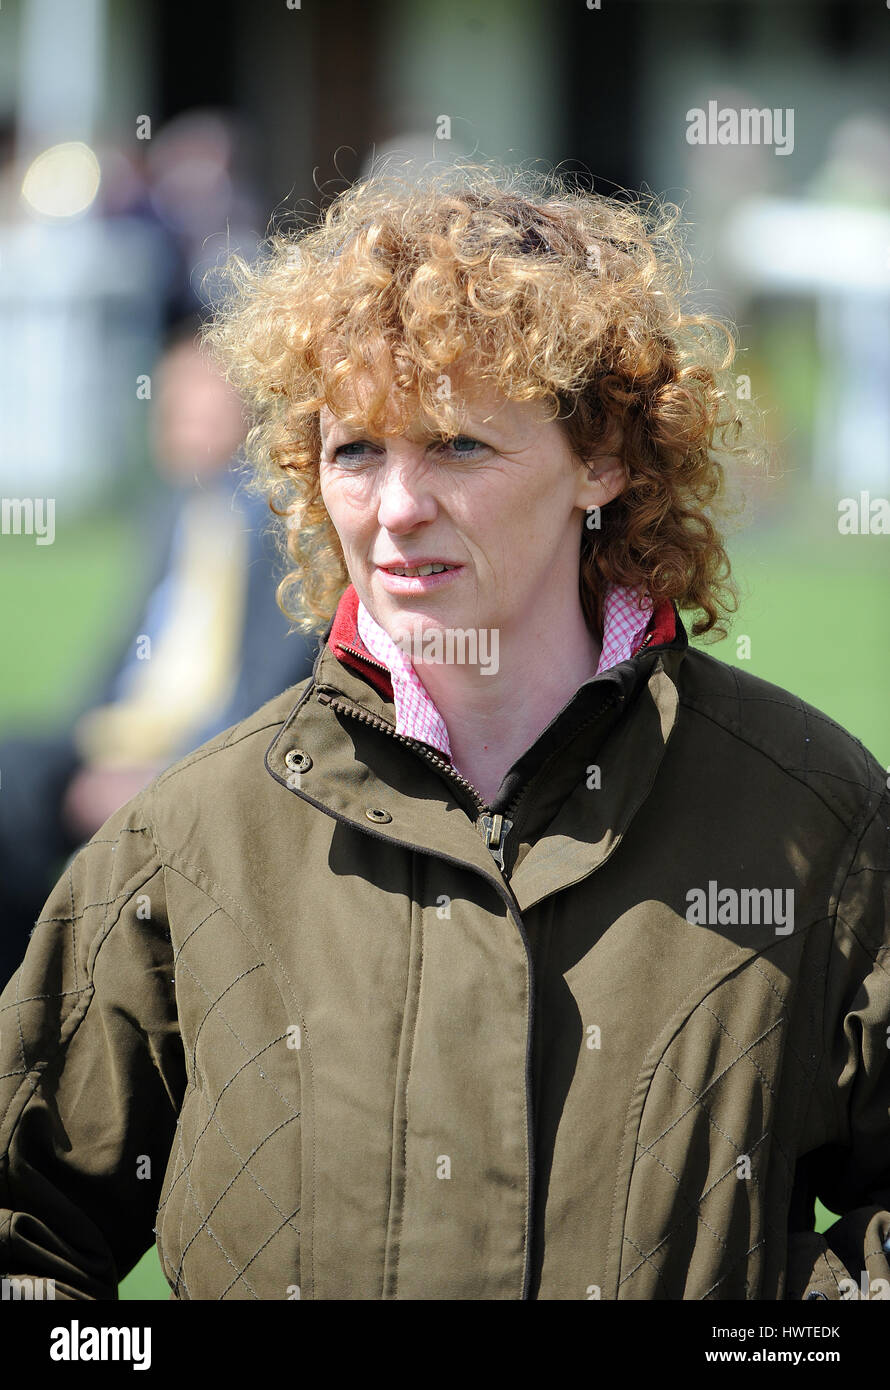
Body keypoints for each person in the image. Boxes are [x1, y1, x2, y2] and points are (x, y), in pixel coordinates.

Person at [0, 161, 887, 1302]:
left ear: (601, 460)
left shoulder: (809, 813)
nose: (397, 505)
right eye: (356, 450)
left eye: (458, 445)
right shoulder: (190, 836)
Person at [0, 322, 318, 989]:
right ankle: (32, 979)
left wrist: (157, 771)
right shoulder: (171, 512)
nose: (177, 425)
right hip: (117, 736)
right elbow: (119, 658)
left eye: (199, 407)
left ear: (248, 414)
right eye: (169, 407)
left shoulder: (278, 528)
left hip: (197, 752)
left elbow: (260, 692)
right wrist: (85, 748)